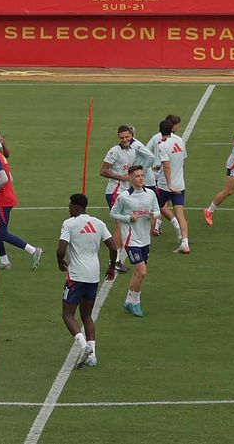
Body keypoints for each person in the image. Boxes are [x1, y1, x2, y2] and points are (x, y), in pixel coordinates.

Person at [56, 192, 121, 369]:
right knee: (86, 315)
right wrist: (110, 267)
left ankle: (84, 347)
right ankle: (93, 356)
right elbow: (113, 247)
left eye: (70, 206)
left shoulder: (69, 224)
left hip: (76, 276)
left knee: (67, 314)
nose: (68, 208)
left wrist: (60, 263)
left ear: (76, 207)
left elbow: (61, 249)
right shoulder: (98, 223)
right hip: (93, 275)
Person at [0, 132, 43, 270]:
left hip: (2, 201)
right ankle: (4, 261)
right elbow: (10, 178)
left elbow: (4, 179)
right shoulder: (0, 156)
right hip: (2, 199)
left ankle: (33, 251)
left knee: (2, 233)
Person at [109, 165, 158, 317]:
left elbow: (157, 210)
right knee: (142, 272)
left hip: (145, 239)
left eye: (142, 175)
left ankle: (128, 301)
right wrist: (128, 218)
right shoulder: (124, 197)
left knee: (137, 272)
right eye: (137, 176)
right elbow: (113, 213)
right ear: (130, 178)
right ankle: (135, 302)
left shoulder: (150, 194)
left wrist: (152, 214)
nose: (141, 178)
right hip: (131, 240)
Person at [100, 125, 152, 258]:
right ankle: (116, 258)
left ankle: (117, 257)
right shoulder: (114, 151)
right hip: (114, 191)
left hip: (125, 191)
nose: (125, 139)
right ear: (119, 137)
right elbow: (103, 171)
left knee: (125, 225)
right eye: (122, 137)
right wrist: (120, 177)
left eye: (127, 137)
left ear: (131, 136)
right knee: (121, 225)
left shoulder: (133, 150)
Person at [152, 117, 191, 254]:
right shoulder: (179, 141)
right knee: (181, 214)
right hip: (180, 184)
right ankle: (184, 243)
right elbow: (183, 161)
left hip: (165, 186)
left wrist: (169, 184)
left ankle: (147, 234)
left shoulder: (162, 145)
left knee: (154, 208)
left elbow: (167, 166)